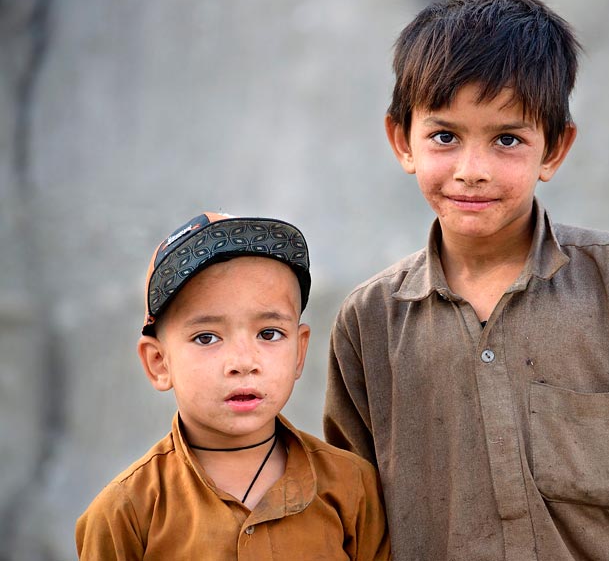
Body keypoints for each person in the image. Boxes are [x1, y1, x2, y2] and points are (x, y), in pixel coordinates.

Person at [323, 0, 609, 559]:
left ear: (554, 149)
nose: (471, 172)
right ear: (403, 141)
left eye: (507, 140)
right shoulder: (370, 322)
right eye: (445, 137)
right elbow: (352, 522)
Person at [76, 212, 391, 560]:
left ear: (300, 352)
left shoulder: (352, 489)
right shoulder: (126, 512)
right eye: (207, 337)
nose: (243, 362)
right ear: (158, 362)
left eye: (269, 333)